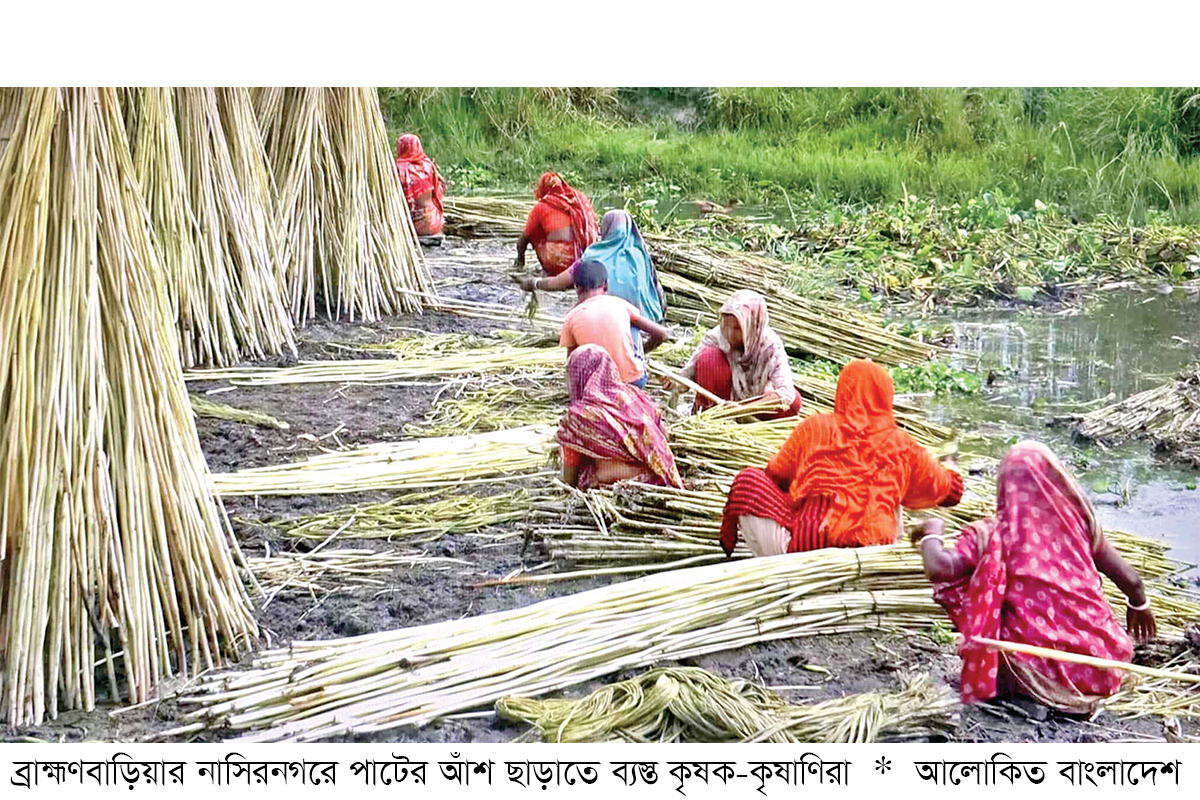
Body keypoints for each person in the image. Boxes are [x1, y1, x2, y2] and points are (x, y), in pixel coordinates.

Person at [914, 440, 1155, 714]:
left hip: (1035, 673)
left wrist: (932, 531)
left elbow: (939, 568)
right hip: (1103, 664)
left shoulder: (994, 533)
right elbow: (1130, 579)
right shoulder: (1078, 524)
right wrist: (1140, 605)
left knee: (993, 612)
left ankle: (1030, 690)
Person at [719, 359, 963, 558]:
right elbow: (951, 493)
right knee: (888, 488)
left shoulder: (814, 428)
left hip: (806, 549)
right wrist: (950, 468)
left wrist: (810, 485)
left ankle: (779, 571)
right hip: (874, 550)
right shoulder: (902, 443)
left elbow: (774, 475)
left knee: (747, 480)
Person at [557, 344, 684, 491]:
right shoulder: (634, 394)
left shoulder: (579, 417)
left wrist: (567, 487)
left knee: (585, 472)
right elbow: (663, 434)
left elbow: (570, 478)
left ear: (578, 375)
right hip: (660, 474)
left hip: (621, 484)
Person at [515, 209, 666, 324]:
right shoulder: (640, 256)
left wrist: (533, 283)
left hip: (606, 322)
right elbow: (656, 290)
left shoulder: (594, 256)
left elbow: (558, 283)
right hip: (646, 323)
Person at [678, 290, 800, 418]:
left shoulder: (771, 347)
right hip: (722, 402)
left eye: (737, 329)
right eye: (726, 326)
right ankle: (711, 415)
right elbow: (688, 375)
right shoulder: (716, 336)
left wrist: (743, 409)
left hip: (754, 406)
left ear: (753, 326)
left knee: (794, 402)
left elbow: (786, 393)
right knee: (708, 357)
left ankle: (747, 421)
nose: (730, 334)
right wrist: (676, 383)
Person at [560, 260, 672, 389]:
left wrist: (575, 394)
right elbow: (663, 334)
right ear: (606, 286)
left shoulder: (571, 316)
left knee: (581, 353)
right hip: (632, 381)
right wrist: (644, 350)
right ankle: (630, 362)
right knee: (632, 325)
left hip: (596, 387)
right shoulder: (620, 304)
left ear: (577, 289)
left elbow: (571, 363)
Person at [515, 172, 599, 276]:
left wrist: (520, 258)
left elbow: (523, 239)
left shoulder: (541, 206)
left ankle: (549, 271)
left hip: (559, 261)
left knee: (534, 232)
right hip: (585, 256)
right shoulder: (580, 201)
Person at [394, 134, 446, 245]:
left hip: (409, 227)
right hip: (432, 224)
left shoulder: (397, 169)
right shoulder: (429, 166)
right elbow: (440, 191)